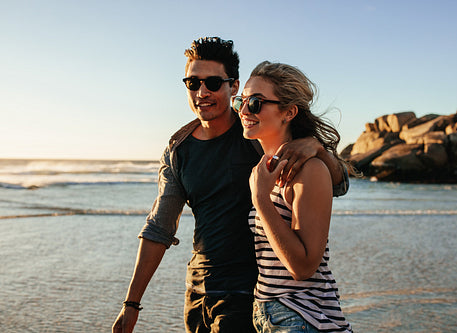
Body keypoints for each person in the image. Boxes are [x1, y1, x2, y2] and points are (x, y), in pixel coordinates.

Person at [112, 37, 349, 333]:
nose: (202, 92)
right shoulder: (178, 149)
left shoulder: (255, 132)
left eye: (212, 82)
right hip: (199, 291)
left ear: (232, 86)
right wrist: (131, 303)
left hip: (249, 296)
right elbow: (160, 227)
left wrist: (317, 149)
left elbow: (335, 186)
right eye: (192, 83)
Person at [233, 61, 353, 332]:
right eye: (241, 101)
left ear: (289, 112)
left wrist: (261, 201)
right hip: (272, 315)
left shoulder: (309, 170)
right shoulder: (266, 169)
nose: (243, 110)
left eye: (255, 102)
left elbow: (303, 267)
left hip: (303, 316)